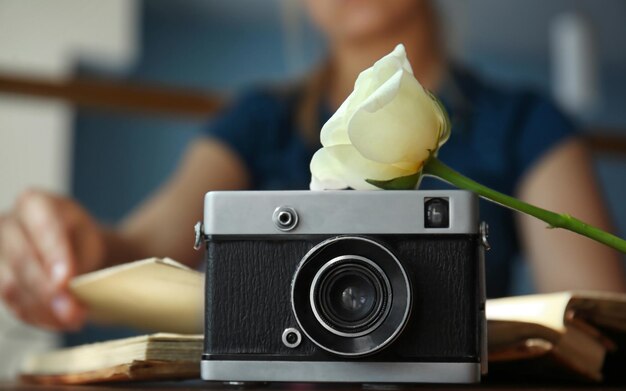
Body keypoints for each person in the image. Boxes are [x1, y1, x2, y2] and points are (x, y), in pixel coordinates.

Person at [0, 0, 624, 331]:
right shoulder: (257, 119)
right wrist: (72, 252)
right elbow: (146, 248)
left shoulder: (526, 121)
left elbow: (589, 318)